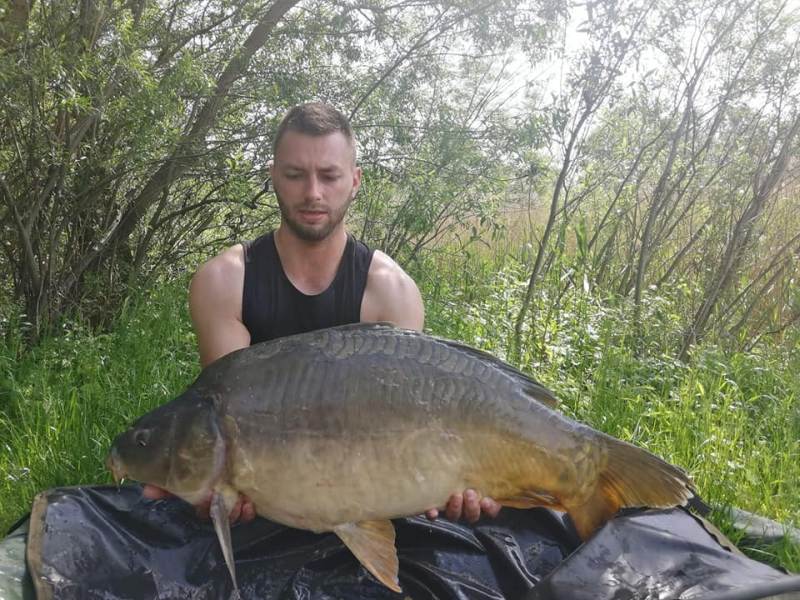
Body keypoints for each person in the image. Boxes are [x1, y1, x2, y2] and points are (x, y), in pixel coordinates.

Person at [143, 102, 501, 525]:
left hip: (370, 487)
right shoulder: (224, 281)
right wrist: (215, 483)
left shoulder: (391, 291)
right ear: (274, 176)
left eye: (329, 176)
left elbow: (406, 427)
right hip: (268, 501)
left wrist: (457, 479)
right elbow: (231, 421)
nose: (313, 193)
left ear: (355, 181)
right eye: (295, 175)